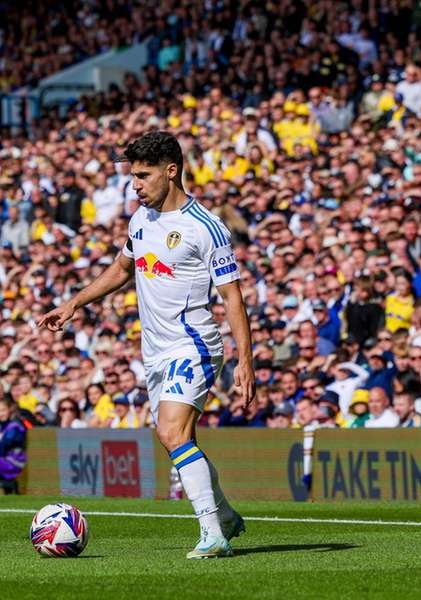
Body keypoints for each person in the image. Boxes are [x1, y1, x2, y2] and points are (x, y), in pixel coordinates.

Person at [40, 131, 254, 559]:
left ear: (171, 171)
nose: (134, 185)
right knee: (174, 437)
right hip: (155, 352)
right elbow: (122, 270)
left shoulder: (206, 227)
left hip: (194, 344)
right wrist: (75, 302)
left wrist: (245, 362)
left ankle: (213, 534)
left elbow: (232, 296)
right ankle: (226, 515)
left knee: (171, 431)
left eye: (142, 175)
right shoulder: (141, 220)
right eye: (132, 176)